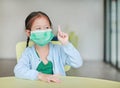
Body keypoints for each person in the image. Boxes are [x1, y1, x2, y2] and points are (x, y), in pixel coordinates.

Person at [14, 11, 83, 83]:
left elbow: (78, 63)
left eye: (46, 27)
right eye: (38, 28)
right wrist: (40, 76)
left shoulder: (58, 50)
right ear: (29, 33)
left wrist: (66, 44)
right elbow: (18, 70)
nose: (43, 31)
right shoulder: (28, 53)